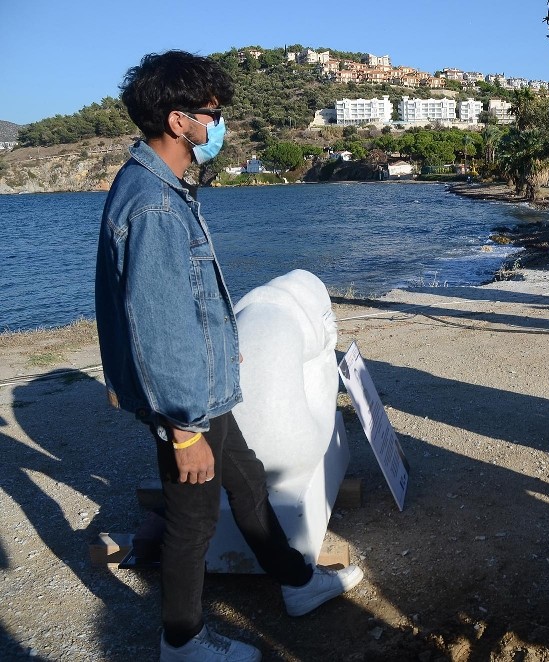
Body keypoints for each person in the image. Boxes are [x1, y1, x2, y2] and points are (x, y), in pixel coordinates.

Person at [94, 51, 364, 662]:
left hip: (205, 385)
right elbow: (158, 327)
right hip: (187, 401)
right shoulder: (155, 205)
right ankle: (182, 643)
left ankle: (297, 584)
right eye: (213, 115)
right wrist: (185, 427)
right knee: (192, 523)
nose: (220, 125)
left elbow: (181, 307)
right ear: (178, 120)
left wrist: (222, 355)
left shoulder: (162, 188)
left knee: (245, 485)